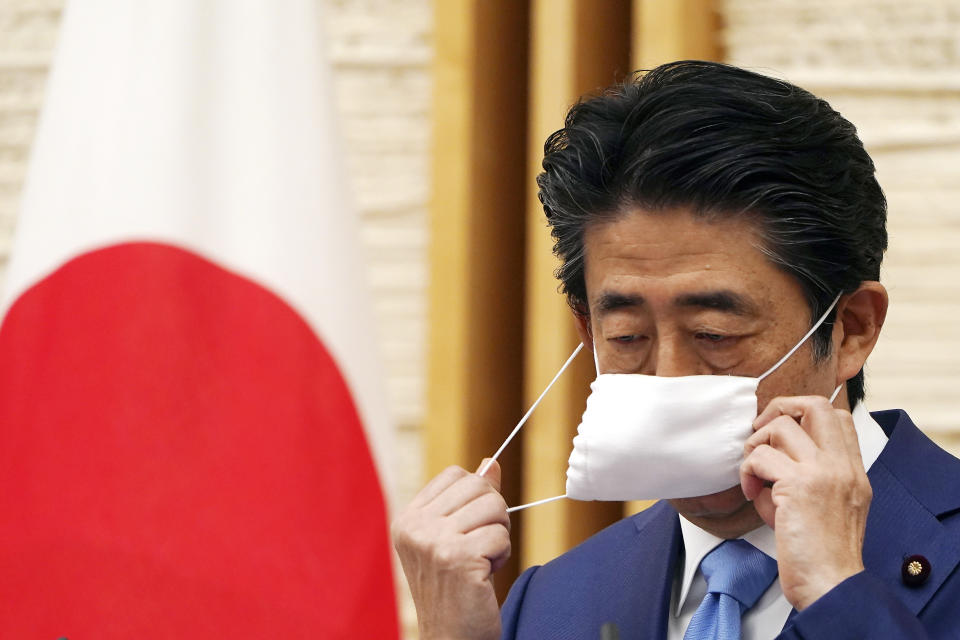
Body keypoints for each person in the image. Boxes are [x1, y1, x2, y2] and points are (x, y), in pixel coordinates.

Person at [391, 61, 960, 639]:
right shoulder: (551, 601)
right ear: (587, 335)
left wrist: (839, 594)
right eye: (627, 338)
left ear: (851, 330)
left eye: (714, 334)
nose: (668, 378)